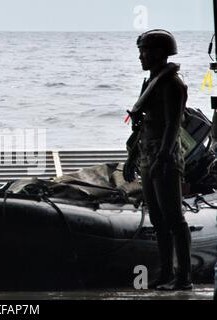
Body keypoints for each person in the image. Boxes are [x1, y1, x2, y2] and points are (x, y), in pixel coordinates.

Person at [123, 29, 192, 291]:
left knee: (174, 218)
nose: (141, 56)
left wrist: (163, 157)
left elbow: (173, 125)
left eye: (146, 51)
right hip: (147, 153)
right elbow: (142, 125)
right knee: (158, 219)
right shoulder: (151, 83)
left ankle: (184, 277)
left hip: (165, 156)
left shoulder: (173, 84)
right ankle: (166, 272)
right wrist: (132, 157)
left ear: (161, 53)